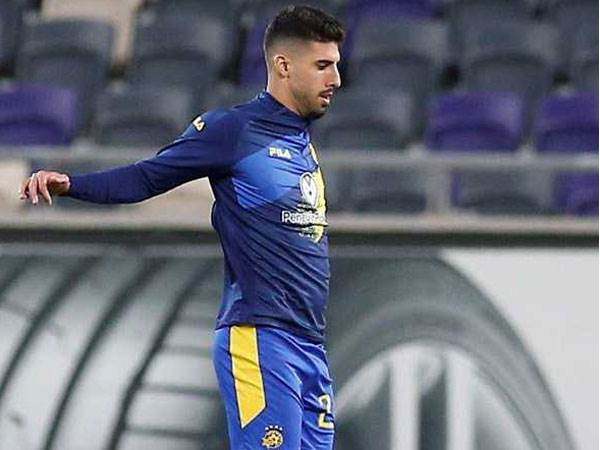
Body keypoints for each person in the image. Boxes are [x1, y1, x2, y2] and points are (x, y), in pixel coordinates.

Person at [19, 5, 343, 449]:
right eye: (323, 65)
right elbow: (146, 177)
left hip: (309, 343)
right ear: (284, 66)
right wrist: (73, 184)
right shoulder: (233, 130)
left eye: (336, 65)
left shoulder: (302, 142)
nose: (336, 79)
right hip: (262, 338)